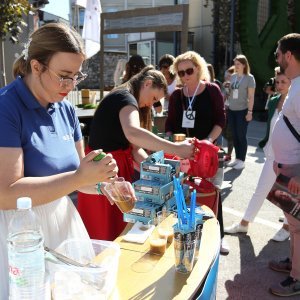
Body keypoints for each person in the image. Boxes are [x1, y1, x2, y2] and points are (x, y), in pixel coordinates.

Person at [0, 23, 119, 300]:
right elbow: (6, 193)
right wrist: (79, 179)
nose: (71, 85)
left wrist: (105, 185)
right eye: (64, 76)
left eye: (76, 76)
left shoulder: (66, 109)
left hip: (62, 226)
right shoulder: (7, 107)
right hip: (20, 234)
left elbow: (79, 178)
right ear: (37, 66)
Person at [77, 65, 194, 241]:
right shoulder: (125, 98)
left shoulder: (126, 98)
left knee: (119, 229)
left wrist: (161, 172)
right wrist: (177, 149)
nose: (152, 105)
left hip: (109, 170)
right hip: (101, 171)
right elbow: (133, 133)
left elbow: (134, 148)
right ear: (147, 83)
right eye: (154, 98)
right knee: (103, 233)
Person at [164, 51, 229, 254]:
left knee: (211, 193)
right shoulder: (176, 96)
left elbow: (221, 120)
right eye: (180, 73)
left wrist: (208, 141)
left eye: (189, 71)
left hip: (207, 153)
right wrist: (169, 144)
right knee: (184, 194)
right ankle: (188, 233)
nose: (185, 76)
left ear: (199, 69)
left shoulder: (211, 90)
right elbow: (170, 124)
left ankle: (218, 236)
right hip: (183, 152)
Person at [224, 68, 291, 242]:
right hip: (271, 155)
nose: (280, 85)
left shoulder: (295, 103)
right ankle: (244, 223)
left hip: (290, 157)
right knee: (260, 190)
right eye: (278, 82)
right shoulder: (275, 100)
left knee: (287, 195)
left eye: (284, 82)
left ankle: (287, 226)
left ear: (292, 82)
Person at [268, 33, 300, 297]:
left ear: (289, 55)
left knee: (298, 227)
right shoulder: (297, 85)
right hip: (288, 168)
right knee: (293, 224)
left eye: (278, 53)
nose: (276, 58)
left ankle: (297, 278)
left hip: (295, 171)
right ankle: (294, 264)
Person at [226, 54, 256, 170]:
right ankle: (237, 159)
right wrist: (228, 88)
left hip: (242, 110)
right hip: (232, 110)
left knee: (241, 135)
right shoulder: (233, 77)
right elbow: (232, 91)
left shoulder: (249, 78)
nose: (236, 66)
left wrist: (250, 112)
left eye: (238, 64)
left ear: (244, 65)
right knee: (234, 135)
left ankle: (242, 160)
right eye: (235, 64)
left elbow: (251, 96)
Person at [222, 65, 235, 162]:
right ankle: (225, 152)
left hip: (233, 110)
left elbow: (235, 98)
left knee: (230, 133)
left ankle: (229, 154)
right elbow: (223, 97)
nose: (227, 78)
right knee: (223, 131)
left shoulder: (236, 85)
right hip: (225, 110)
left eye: (229, 76)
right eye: (226, 76)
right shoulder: (225, 85)